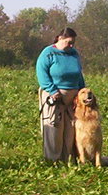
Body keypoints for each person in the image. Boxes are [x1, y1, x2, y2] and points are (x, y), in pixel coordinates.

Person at [36, 27, 86, 163]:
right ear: (60, 38)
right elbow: (42, 73)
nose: (71, 46)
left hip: (73, 97)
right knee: (54, 129)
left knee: (71, 129)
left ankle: (68, 159)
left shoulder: (73, 53)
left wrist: (82, 91)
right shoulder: (48, 53)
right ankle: (53, 160)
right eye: (69, 42)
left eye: (73, 43)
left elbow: (78, 74)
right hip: (55, 96)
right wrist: (52, 91)